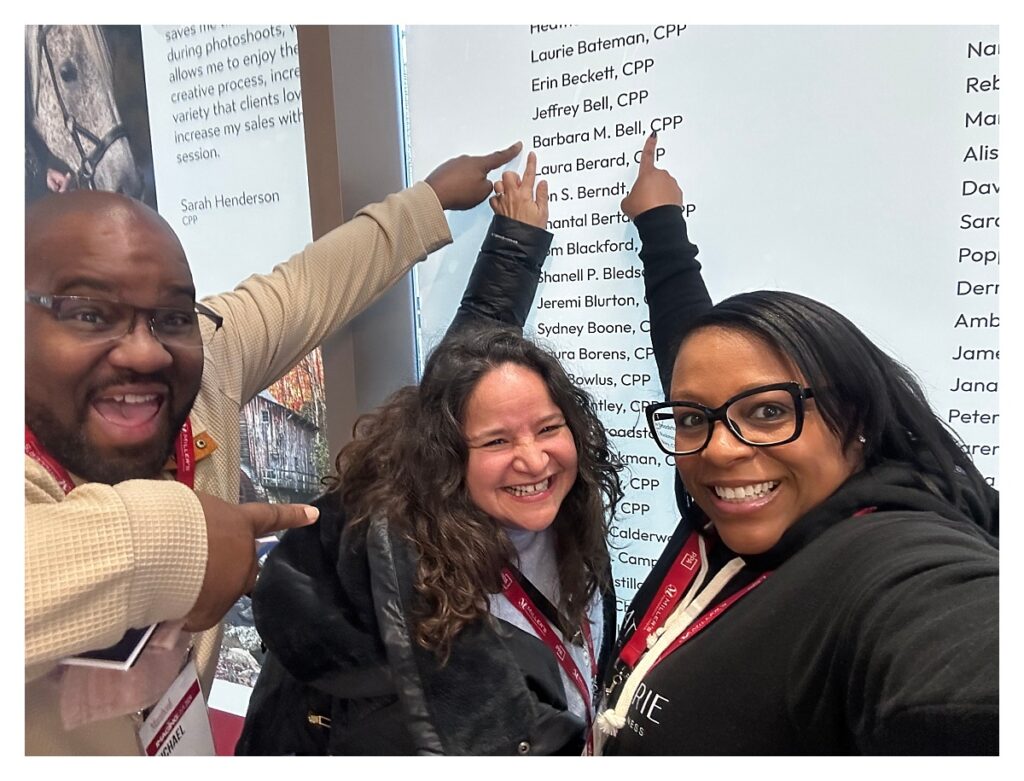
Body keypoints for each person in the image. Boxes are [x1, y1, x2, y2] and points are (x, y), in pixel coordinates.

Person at [24, 141, 522, 755]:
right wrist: (179, 542)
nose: (144, 351)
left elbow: (306, 288)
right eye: (89, 313)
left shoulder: (202, 370)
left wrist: (430, 202)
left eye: (173, 317)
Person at [590, 132, 999, 755]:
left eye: (770, 411)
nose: (722, 450)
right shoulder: (717, 501)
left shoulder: (890, 559)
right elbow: (702, 359)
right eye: (692, 419)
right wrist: (659, 226)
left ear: (854, 416)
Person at [235, 153, 622, 756]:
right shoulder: (403, 585)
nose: (533, 459)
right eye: (495, 442)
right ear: (442, 456)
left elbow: (470, 375)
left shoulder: (567, 524)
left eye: (549, 428)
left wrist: (516, 245)